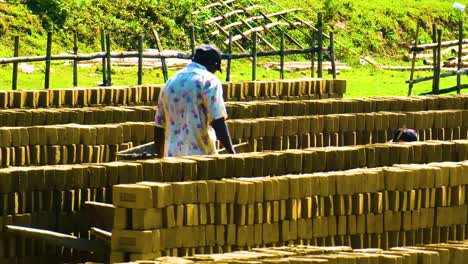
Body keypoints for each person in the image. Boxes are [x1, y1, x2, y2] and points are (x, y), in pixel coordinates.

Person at [154, 44, 235, 157]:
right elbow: (217, 121)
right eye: (215, 69)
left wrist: (160, 159)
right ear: (214, 63)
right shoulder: (209, 80)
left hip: (172, 159)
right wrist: (233, 153)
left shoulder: (170, 82)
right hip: (200, 157)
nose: (214, 72)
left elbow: (159, 127)